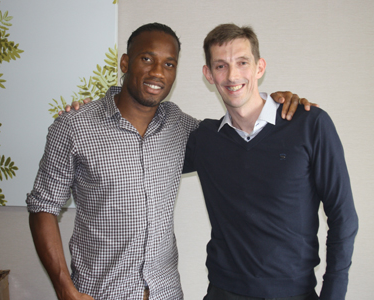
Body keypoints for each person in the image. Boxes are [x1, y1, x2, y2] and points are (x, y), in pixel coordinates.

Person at [27, 23, 312, 300]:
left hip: (166, 292)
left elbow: (241, 134)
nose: (157, 72)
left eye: (169, 64)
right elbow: (43, 207)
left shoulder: (181, 127)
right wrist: (65, 289)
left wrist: (279, 103)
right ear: (125, 62)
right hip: (99, 292)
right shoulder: (75, 126)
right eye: (147, 58)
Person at [183, 24, 358, 300]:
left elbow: (343, 217)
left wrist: (333, 295)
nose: (232, 75)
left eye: (242, 62)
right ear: (208, 75)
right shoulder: (205, 139)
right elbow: (142, 153)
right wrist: (90, 115)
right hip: (222, 292)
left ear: (259, 68)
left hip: (293, 293)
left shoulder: (310, 124)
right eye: (220, 66)